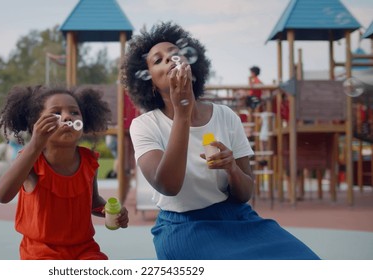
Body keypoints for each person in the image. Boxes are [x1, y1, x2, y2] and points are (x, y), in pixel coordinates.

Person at [121, 21, 319, 260]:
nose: (170, 59)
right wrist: (182, 111)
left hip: (236, 218)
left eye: (175, 53)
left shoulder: (225, 116)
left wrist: (232, 168)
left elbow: (245, 193)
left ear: (192, 67)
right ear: (150, 82)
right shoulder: (144, 125)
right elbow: (169, 186)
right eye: (158, 60)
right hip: (182, 226)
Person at [0, 85, 129, 260]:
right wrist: (35, 144)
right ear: (36, 124)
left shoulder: (88, 161)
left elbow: (93, 201)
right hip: (41, 252)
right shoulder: (31, 161)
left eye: (74, 113)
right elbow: (2, 195)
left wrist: (110, 211)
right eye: (56, 113)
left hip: (84, 249)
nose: (67, 117)